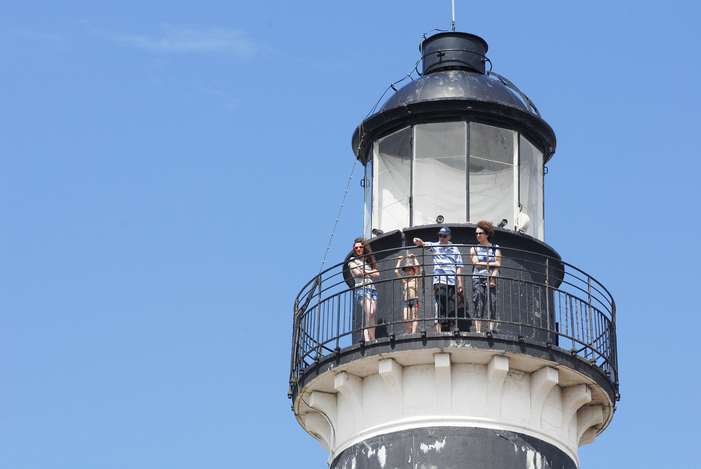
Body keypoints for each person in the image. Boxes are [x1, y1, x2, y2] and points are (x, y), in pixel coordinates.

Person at [413, 227, 463, 332]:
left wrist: (460, 283)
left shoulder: (455, 249)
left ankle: (452, 331)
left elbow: (458, 267)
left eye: (444, 236)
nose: (441, 238)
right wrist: (420, 242)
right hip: (439, 281)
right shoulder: (436, 246)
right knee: (440, 304)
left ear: (449, 237)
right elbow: (425, 245)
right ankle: (439, 332)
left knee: (452, 306)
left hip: (451, 282)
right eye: (440, 235)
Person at [470, 221, 502, 334]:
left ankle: (490, 329)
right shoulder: (474, 248)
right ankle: (478, 330)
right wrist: (492, 263)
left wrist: (492, 278)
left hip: (491, 278)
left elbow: (498, 265)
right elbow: (476, 264)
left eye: (481, 233)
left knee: (492, 303)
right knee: (478, 301)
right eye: (476, 233)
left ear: (487, 234)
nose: (478, 235)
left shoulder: (495, 248)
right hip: (478, 278)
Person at [348, 237, 380, 341]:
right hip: (361, 288)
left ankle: (369, 338)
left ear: (364, 248)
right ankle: (372, 338)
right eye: (356, 247)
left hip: (372, 289)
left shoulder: (369, 262)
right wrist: (369, 273)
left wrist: (363, 271)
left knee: (372, 314)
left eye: (360, 247)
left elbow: (377, 274)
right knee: (369, 312)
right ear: (354, 249)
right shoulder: (352, 260)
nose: (358, 249)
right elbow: (357, 273)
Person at [394, 254, 420, 334]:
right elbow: (396, 271)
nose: (407, 272)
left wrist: (414, 258)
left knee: (414, 317)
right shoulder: (405, 282)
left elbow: (418, 267)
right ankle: (410, 332)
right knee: (406, 318)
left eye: (409, 270)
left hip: (414, 299)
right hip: (406, 301)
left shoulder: (416, 279)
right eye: (405, 271)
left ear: (414, 271)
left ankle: (414, 333)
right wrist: (399, 261)